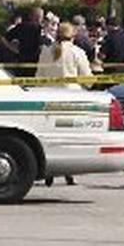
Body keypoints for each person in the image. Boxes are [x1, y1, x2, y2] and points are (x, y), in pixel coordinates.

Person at [35, 22, 93, 185]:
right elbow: (87, 81)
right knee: (70, 138)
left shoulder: (46, 52)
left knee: (50, 137)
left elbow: (38, 78)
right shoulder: (77, 52)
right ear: (73, 36)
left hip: (48, 98)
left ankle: (49, 173)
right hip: (71, 98)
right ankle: (69, 171)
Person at [6, 7, 45, 78]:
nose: (39, 19)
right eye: (38, 16)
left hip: (21, 61)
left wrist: (13, 50)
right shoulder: (39, 29)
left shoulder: (20, 27)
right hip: (34, 63)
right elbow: (43, 43)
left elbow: (5, 38)